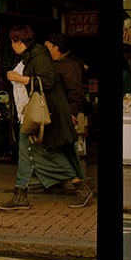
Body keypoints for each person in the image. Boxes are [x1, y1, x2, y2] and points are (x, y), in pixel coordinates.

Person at [0, 25, 92, 211]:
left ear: (20, 41)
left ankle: (80, 186)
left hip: (41, 116)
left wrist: (19, 78)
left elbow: (47, 81)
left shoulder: (38, 55)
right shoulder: (30, 55)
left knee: (47, 153)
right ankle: (20, 195)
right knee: (26, 155)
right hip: (29, 116)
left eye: (13, 41)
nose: (11, 45)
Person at [46, 35, 93, 184]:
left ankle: (77, 180)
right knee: (66, 146)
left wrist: (72, 112)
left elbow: (75, 91)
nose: (46, 50)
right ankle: (74, 179)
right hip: (62, 111)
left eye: (48, 47)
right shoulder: (59, 63)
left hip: (67, 111)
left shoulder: (69, 66)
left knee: (66, 146)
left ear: (56, 48)